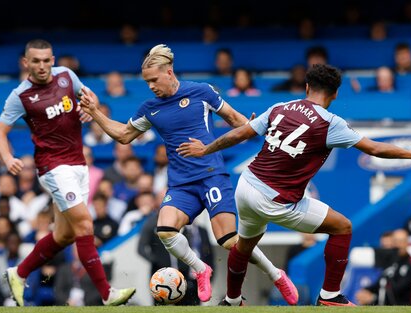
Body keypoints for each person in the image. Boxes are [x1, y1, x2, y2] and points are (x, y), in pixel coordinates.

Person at [177, 64, 411, 306]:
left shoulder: (280, 107)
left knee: (244, 245)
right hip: (275, 199)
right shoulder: (330, 123)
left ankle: (232, 300)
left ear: (307, 87)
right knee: (342, 227)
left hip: (246, 185)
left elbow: (241, 133)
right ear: (334, 93)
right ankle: (330, 296)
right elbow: (375, 148)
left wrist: (206, 148)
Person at [79, 44, 298, 304]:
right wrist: (94, 113)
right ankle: (200, 268)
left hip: (211, 175)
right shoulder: (151, 108)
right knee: (165, 230)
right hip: (181, 184)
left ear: (169, 72)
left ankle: (276, 274)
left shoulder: (201, 91)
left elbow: (234, 118)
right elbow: (124, 135)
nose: (150, 85)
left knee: (229, 241)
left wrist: (253, 127)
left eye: (154, 79)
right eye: (146, 81)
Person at [0, 39, 135, 307]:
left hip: (79, 163)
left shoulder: (67, 76)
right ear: (26, 63)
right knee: (85, 224)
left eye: (47, 60)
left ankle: (19, 273)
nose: (42, 66)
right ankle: (107, 293)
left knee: (65, 236)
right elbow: (0, 132)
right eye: (36, 61)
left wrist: (89, 108)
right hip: (53, 168)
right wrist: (8, 156)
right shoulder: (20, 96)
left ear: (53, 59)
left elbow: (90, 98)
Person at [355, 229, 411, 305]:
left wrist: (373, 298)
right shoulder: (392, 262)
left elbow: (398, 290)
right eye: (395, 242)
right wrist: (366, 291)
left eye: (401, 241)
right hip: (389, 303)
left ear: (407, 243)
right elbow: (380, 282)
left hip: (405, 305)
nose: (398, 245)